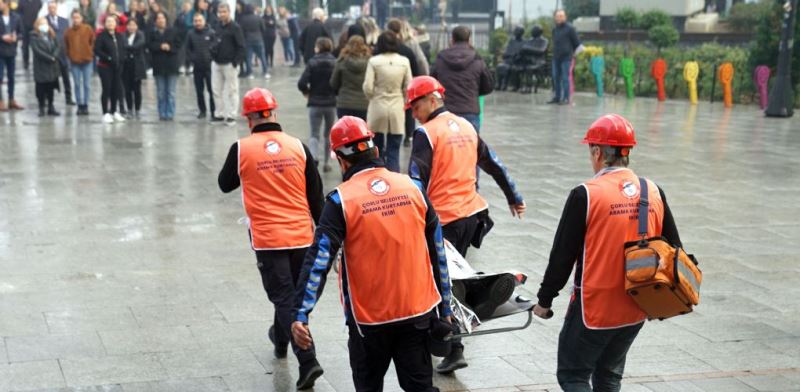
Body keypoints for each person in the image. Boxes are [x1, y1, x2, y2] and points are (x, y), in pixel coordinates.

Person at [291, 116, 453, 392]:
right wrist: (446, 308)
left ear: (342, 161)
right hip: (418, 313)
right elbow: (438, 253)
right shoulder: (413, 189)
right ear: (375, 150)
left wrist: (300, 313)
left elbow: (318, 260)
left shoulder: (340, 202)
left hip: (369, 322)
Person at [532, 114, 684, 391]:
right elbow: (675, 248)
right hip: (637, 305)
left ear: (598, 151)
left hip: (595, 306)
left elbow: (562, 256)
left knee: (573, 375)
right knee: (608, 376)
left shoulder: (585, 194)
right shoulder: (653, 190)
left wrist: (545, 300)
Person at [406, 75, 526, 374]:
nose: (413, 112)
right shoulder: (467, 126)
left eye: (416, 105)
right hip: (472, 216)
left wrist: (409, 217)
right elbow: (493, 163)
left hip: (442, 221)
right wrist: (514, 196)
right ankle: (472, 302)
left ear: (433, 100)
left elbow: (415, 180)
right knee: (449, 278)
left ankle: (453, 343)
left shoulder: (427, 134)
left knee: (437, 283)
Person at [217, 88, 324, 392]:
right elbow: (316, 199)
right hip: (303, 237)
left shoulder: (241, 148)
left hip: (268, 240)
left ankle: (308, 361)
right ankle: (280, 339)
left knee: (284, 298)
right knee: (291, 298)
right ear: (274, 114)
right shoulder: (299, 147)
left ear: (249, 119)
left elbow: (225, 184)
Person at [363, 31, 411, 173]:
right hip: (396, 107)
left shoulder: (374, 61)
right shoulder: (404, 61)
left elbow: (368, 87)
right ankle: (394, 178)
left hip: (378, 105)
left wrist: (372, 96)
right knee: (394, 150)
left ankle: (379, 176)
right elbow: (409, 86)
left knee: (376, 149)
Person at [430, 25, 492, 133]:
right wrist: (473, 91)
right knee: (470, 146)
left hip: (445, 111)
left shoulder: (441, 59)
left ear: (452, 39)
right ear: (469, 40)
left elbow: (431, 83)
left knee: (445, 147)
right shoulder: (477, 59)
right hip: (470, 110)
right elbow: (488, 86)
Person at [385, 18, 427, 147]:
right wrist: (422, 78)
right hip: (409, 81)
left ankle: (392, 132)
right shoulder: (410, 44)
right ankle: (408, 135)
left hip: (390, 81)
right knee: (409, 108)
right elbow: (420, 62)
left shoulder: (384, 44)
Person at [297, 36, 336, 172]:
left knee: (314, 133)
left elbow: (302, 82)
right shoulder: (335, 62)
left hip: (315, 103)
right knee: (328, 134)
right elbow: (337, 83)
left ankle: (314, 157)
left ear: (318, 48)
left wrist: (307, 93)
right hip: (331, 103)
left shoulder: (312, 62)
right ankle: (328, 162)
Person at [210, 2, 244, 124]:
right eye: (220, 12)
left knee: (232, 90)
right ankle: (219, 114)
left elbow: (241, 46)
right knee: (216, 90)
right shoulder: (216, 26)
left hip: (230, 64)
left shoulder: (235, 27)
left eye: (224, 12)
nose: (222, 14)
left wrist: (236, 62)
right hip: (216, 63)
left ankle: (232, 115)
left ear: (229, 12)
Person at [148, 11, 180, 121]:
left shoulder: (173, 31)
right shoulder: (152, 32)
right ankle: (162, 113)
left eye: (162, 18)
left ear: (166, 19)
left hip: (171, 66)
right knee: (161, 92)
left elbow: (178, 46)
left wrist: (169, 48)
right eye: (158, 18)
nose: (161, 20)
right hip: (158, 66)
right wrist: (160, 46)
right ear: (155, 20)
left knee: (171, 92)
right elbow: (150, 46)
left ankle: (170, 113)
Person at [94, 14, 125, 123]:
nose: (110, 24)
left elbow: (122, 49)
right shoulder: (101, 36)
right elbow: (97, 50)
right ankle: (105, 112)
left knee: (115, 89)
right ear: (105, 24)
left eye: (112, 21)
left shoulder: (119, 36)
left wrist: (121, 60)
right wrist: (108, 58)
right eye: (108, 22)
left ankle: (114, 111)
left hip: (117, 67)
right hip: (105, 66)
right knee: (106, 89)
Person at [330, 35, 370, 121]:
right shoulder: (370, 62)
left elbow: (333, 83)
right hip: (363, 104)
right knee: (361, 131)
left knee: (346, 131)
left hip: (344, 103)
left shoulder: (341, 61)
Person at [63, 9, 94, 115]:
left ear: (82, 18)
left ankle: (85, 104)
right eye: (74, 17)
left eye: (78, 17)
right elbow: (66, 45)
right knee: (76, 84)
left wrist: (90, 52)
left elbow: (92, 41)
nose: (76, 20)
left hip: (87, 60)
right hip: (74, 61)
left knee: (86, 84)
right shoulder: (68, 32)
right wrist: (70, 55)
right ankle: (79, 104)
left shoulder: (88, 29)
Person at [548, 9, 581, 105]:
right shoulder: (554, 29)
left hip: (566, 58)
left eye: (561, 16)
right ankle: (557, 97)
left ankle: (566, 98)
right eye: (557, 16)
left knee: (565, 78)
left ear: (565, 17)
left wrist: (572, 54)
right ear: (555, 18)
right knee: (555, 77)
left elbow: (577, 43)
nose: (559, 18)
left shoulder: (570, 29)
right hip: (556, 57)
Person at [186, 13, 215, 119]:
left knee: (212, 90)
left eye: (199, 20)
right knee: (199, 91)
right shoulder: (190, 34)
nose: (198, 23)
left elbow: (215, 46)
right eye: (196, 21)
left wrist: (211, 57)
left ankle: (213, 111)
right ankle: (202, 110)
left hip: (209, 67)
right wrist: (191, 60)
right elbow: (188, 49)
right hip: (197, 67)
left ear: (204, 21)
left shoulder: (211, 32)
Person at [31, 17, 61, 116]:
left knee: (50, 87)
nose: (44, 26)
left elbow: (58, 46)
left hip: (52, 67)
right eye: (42, 24)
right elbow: (37, 51)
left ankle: (51, 107)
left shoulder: (51, 35)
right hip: (41, 66)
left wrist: (54, 56)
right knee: (41, 88)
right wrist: (50, 58)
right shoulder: (34, 37)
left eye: (46, 23)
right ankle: (41, 107)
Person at [45, 1, 74, 107]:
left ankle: (69, 97)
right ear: (48, 9)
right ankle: (48, 100)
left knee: (66, 76)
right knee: (50, 77)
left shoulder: (64, 21)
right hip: (50, 53)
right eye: (50, 8)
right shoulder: (44, 21)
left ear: (56, 8)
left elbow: (68, 37)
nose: (52, 9)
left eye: (54, 7)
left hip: (62, 53)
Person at [0, 0, 24, 111]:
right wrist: (2, 37)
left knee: (11, 77)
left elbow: (21, 33)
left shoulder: (16, 17)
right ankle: (0, 101)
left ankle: (11, 99)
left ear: (6, 4)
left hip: (11, 51)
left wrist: (16, 37)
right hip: (0, 51)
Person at [122, 18, 145, 118]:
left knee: (137, 89)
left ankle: (137, 109)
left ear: (137, 26)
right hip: (126, 65)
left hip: (137, 65)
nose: (131, 27)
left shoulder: (140, 35)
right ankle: (130, 109)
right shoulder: (123, 35)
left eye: (133, 25)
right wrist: (130, 48)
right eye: (129, 25)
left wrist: (129, 48)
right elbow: (123, 45)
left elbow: (138, 45)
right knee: (127, 89)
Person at [239, 4, 268, 79]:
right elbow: (263, 29)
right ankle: (265, 72)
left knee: (249, 57)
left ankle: (250, 73)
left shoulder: (243, 19)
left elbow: (241, 31)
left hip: (248, 40)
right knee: (262, 56)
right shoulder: (258, 18)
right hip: (258, 39)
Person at [17, 0, 42, 70]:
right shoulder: (21, 2)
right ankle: (26, 62)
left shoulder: (38, 2)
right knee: (25, 46)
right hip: (25, 27)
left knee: (37, 45)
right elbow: (18, 13)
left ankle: (37, 62)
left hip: (35, 26)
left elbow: (40, 10)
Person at [174, 0, 193, 74]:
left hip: (191, 35)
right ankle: (182, 65)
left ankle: (191, 65)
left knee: (190, 51)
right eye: (184, 6)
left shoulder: (192, 15)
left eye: (187, 6)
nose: (186, 8)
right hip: (182, 36)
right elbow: (176, 26)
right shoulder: (180, 15)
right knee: (182, 51)